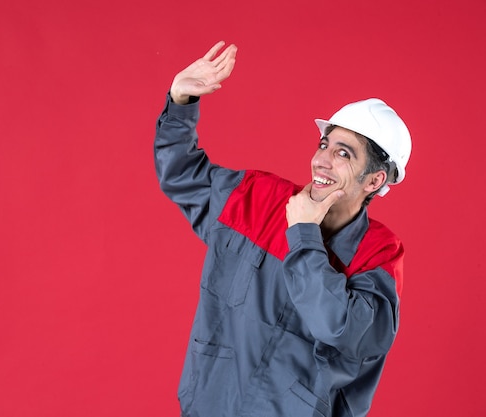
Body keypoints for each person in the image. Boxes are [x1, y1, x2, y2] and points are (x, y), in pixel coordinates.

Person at [154, 41, 412, 417]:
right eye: (325, 144)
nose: (322, 160)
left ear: (373, 181)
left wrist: (304, 232)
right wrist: (181, 101)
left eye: (344, 153)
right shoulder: (257, 198)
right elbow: (182, 175)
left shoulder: (379, 255)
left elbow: (341, 328)